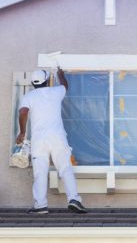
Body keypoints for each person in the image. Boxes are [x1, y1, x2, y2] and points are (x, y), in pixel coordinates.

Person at [16, 68, 87, 214]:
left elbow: (23, 112)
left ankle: (41, 205)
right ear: (47, 80)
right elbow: (65, 86)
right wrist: (61, 75)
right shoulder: (56, 92)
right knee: (65, 168)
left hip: (39, 140)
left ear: (32, 83)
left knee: (40, 172)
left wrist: (22, 132)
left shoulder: (28, 96)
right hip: (57, 137)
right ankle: (74, 199)